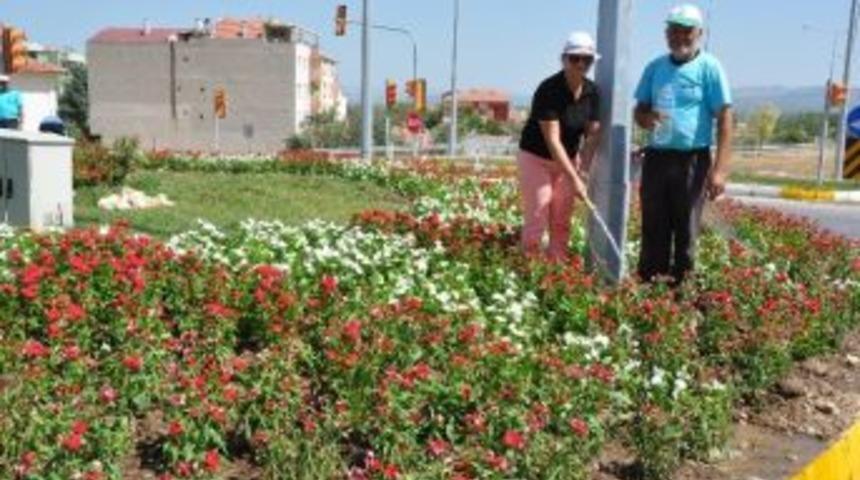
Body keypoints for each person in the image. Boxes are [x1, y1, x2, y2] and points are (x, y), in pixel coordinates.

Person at [633, 4, 733, 284]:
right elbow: (638, 111)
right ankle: (651, 295)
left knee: (686, 230)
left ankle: (681, 297)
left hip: (692, 160)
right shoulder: (654, 68)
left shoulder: (709, 67)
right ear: (667, 34)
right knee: (654, 228)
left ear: (699, 33)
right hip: (657, 159)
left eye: (686, 31)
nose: (680, 36)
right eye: (674, 30)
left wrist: (720, 171)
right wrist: (646, 117)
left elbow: (725, 118)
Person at [517, 31, 601, 261]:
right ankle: (530, 267)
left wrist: (582, 171)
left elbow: (592, 134)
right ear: (563, 59)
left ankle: (557, 270)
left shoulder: (593, 92)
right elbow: (552, 140)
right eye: (575, 58)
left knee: (562, 217)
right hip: (537, 157)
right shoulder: (548, 90)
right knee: (539, 210)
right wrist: (574, 177)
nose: (581, 64)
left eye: (587, 59)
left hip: (569, 160)